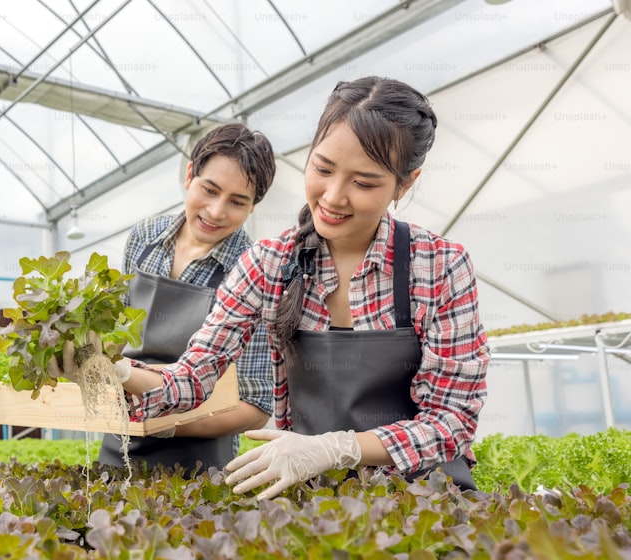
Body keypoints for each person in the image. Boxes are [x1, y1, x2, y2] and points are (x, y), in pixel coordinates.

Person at [120, 76, 490, 499]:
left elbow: (452, 422)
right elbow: (191, 379)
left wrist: (338, 448)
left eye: (364, 183)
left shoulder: (438, 266)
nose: (333, 197)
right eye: (322, 169)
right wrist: (120, 373)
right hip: (315, 503)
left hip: (425, 502)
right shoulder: (268, 264)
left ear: (404, 184)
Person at [96, 122, 278, 475]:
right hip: (118, 442)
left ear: (253, 208)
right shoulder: (144, 239)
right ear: (190, 174)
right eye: (209, 190)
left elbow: (255, 404)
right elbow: (116, 341)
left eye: (237, 202)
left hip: (199, 463)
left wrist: (168, 425)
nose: (215, 211)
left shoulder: (253, 271)